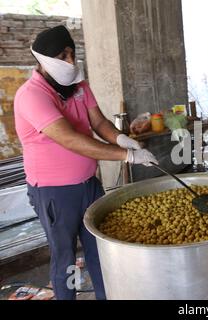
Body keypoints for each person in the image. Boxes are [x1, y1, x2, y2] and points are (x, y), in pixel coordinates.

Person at [14, 26, 158, 300]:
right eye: (62, 55)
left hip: (89, 185)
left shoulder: (79, 85)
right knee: (65, 255)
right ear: (44, 61)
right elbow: (69, 139)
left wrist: (121, 139)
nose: (70, 61)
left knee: (101, 250)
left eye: (72, 53)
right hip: (55, 192)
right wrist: (125, 156)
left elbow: (99, 122)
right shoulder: (32, 95)